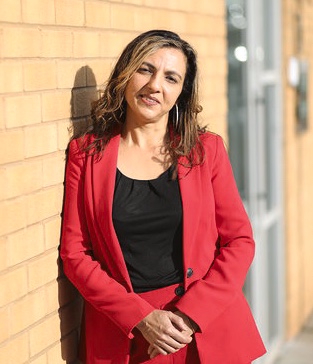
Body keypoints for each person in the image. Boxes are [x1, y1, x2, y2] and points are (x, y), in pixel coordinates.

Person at [60, 29, 266, 364]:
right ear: (125, 75)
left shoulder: (205, 150)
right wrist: (139, 316)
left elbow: (239, 240)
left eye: (171, 77)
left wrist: (190, 315)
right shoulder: (85, 155)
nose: (155, 85)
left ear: (181, 92)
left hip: (204, 328)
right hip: (127, 335)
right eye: (145, 69)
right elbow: (75, 254)